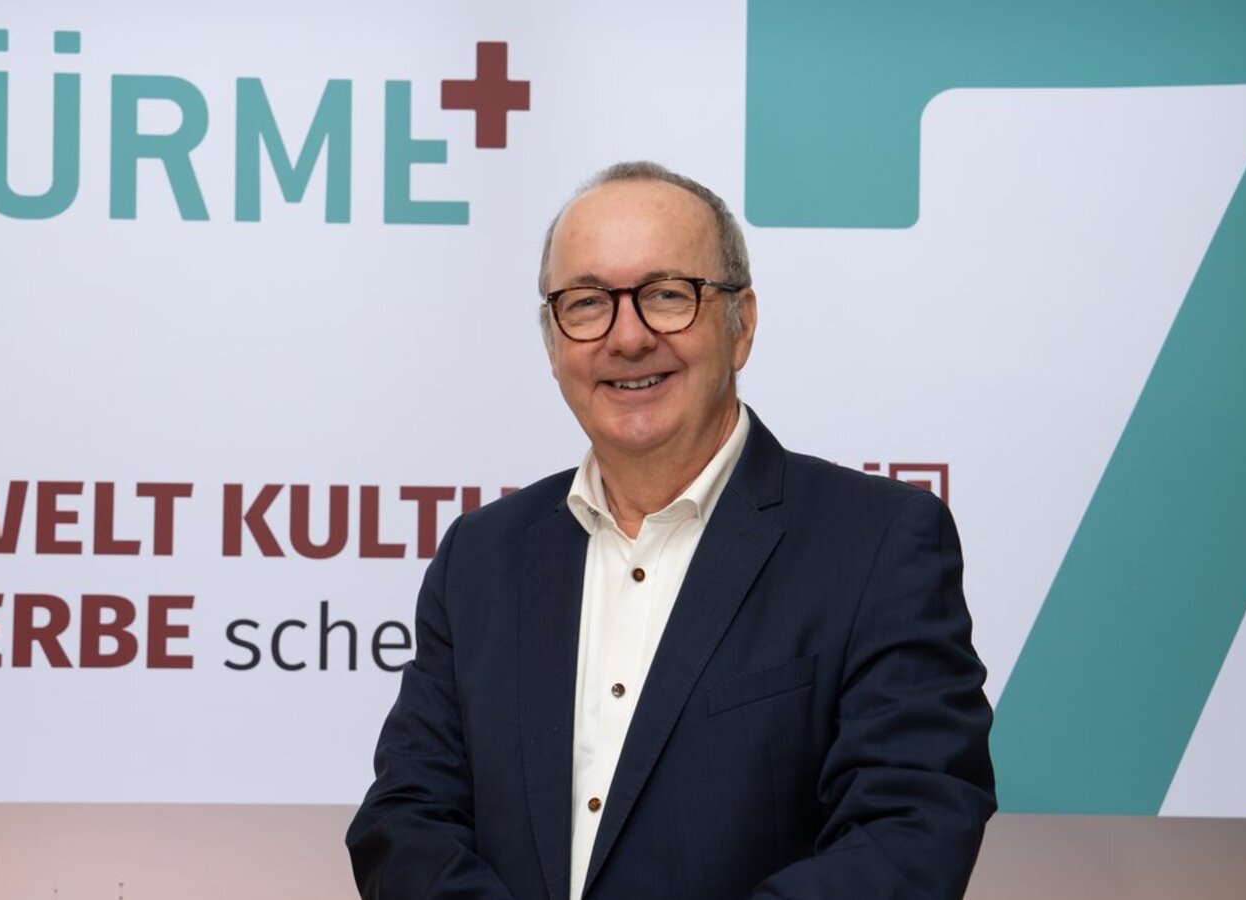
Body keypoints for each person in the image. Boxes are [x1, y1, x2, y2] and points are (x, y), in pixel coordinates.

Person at [346, 161, 995, 899]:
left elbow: (910, 831)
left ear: (741, 325)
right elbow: (407, 819)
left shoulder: (878, 543)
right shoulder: (482, 558)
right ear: (553, 344)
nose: (627, 338)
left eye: (666, 295)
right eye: (586, 303)